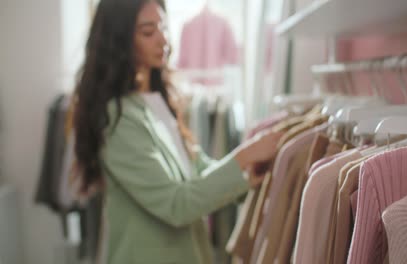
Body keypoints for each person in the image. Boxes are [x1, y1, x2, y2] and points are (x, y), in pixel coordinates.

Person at [72, 0, 282, 263]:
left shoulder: (157, 102)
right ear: (119, 40)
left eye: (163, 27)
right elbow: (176, 204)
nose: (163, 40)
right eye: (148, 32)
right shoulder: (117, 118)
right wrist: (245, 156)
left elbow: (197, 169)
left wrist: (247, 177)